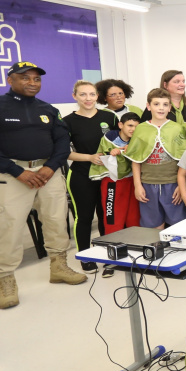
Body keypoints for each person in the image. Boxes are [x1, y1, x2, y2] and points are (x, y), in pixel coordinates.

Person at [0, 62, 87, 308]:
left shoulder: (48, 109)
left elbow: (61, 141)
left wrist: (50, 167)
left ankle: (59, 267)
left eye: (36, 79)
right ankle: (6, 281)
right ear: (10, 79)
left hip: (49, 173)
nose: (32, 83)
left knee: (57, 220)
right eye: (25, 78)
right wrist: (18, 172)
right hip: (12, 175)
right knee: (8, 227)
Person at [64, 80, 117, 273]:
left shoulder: (108, 117)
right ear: (75, 96)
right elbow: (63, 152)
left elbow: (119, 141)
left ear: (97, 96)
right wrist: (89, 157)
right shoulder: (68, 122)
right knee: (84, 217)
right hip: (81, 175)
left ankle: (106, 252)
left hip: (106, 175)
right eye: (83, 94)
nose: (88, 99)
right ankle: (86, 257)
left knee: (106, 216)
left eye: (92, 94)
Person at [125, 88, 186, 229]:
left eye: (165, 104)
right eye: (156, 104)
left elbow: (184, 160)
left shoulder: (177, 129)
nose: (161, 108)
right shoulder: (141, 129)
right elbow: (136, 160)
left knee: (178, 225)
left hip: (172, 184)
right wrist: (137, 185)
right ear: (149, 106)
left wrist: (181, 185)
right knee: (153, 226)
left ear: (170, 107)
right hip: (148, 184)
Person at [89, 112, 142, 240]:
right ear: (120, 125)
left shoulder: (138, 140)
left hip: (133, 181)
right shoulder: (109, 139)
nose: (133, 129)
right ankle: (113, 251)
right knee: (113, 219)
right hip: (113, 182)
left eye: (136, 126)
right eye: (129, 125)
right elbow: (104, 154)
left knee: (134, 218)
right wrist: (114, 152)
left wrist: (128, 149)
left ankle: (135, 247)